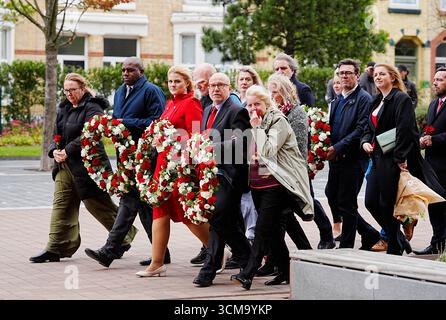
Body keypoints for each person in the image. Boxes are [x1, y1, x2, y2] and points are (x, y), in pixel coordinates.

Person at [30, 73, 137, 263]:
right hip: (64, 166)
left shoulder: (92, 107)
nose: (69, 94)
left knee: (97, 204)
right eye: (66, 90)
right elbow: (56, 133)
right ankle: (55, 247)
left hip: (89, 166)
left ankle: (123, 237)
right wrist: (54, 150)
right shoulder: (63, 107)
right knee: (61, 205)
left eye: (73, 90)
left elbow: (91, 133)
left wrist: (68, 150)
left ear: (82, 88)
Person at [230, 85, 314, 290]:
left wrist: (257, 127)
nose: (253, 108)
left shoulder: (278, 121)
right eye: (249, 105)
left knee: (262, 230)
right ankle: (286, 271)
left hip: (277, 184)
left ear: (267, 104)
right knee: (275, 232)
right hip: (258, 183)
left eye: (257, 104)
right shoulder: (251, 121)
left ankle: (248, 273)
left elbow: (268, 150)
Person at [84, 57, 166, 268]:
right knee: (144, 206)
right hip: (126, 157)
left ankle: (110, 250)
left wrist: (124, 123)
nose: (126, 73)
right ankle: (162, 252)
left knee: (129, 200)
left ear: (141, 71)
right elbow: (117, 121)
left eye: (131, 70)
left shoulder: (151, 90)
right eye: (123, 70)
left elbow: (157, 122)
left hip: (145, 156)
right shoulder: (120, 91)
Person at [135, 66, 210, 277]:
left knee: (184, 211)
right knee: (159, 209)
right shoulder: (169, 104)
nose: (173, 85)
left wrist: (175, 142)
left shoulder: (192, 103)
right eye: (170, 81)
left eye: (177, 81)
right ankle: (157, 263)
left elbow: (196, 136)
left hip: (180, 165)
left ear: (187, 83)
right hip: (163, 165)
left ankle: (216, 248)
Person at [361, 64, 443, 255]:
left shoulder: (401, 99)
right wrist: (365, 141)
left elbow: (405, 129)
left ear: (393, 77)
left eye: (383, 74)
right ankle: (396, 237)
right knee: (370, 201)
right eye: (376, 74)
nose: (378, 77)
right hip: (377, 156)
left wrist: (400, 158)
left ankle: (395, 248)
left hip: (393, 159)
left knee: (387, 203)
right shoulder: (376, 100)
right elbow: (368, 127)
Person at [192, 73, 252, 287]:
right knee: (227, 221)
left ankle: (210, 267)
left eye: (220, 85)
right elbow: (200, 137)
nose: (216, 89)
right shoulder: (207, 109)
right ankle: (247, 258)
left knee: (218, 217)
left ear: (228, 88)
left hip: (231, 175)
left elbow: (241, 144)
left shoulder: (237, 110)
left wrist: (211, 149)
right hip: (211, 175)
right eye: (212, 85)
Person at [268, 74, 335, 249]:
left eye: (274, 92)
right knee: (284, 213)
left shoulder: (296, 112)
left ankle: (326, 233)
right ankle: (283, 255)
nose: (271, 95)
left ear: (284, 92)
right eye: (269, 91)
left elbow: (298, 145)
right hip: (276, 168)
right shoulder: (272, 111)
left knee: (306, 202)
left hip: (293, 168)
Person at [325, 59, 381, 250]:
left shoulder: (364, 98)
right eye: (341, 73)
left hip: (353, 159)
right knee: (331, 195)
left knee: (347, 203)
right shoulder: (338, 98)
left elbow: (361, 129)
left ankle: (347, 246)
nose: (344, 76)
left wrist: (338, 147)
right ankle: (369, 233)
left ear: (357, 75)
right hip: (336, 159)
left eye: (349, 73)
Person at [414, 66, 446, 255]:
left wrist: (435, 139)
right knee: (434, 203)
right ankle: (437, 242)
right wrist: (423, 137)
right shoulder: (434, 104)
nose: (435, 83)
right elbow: (430, 128)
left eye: (440, 80)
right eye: (434, 80)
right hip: (432, 163)